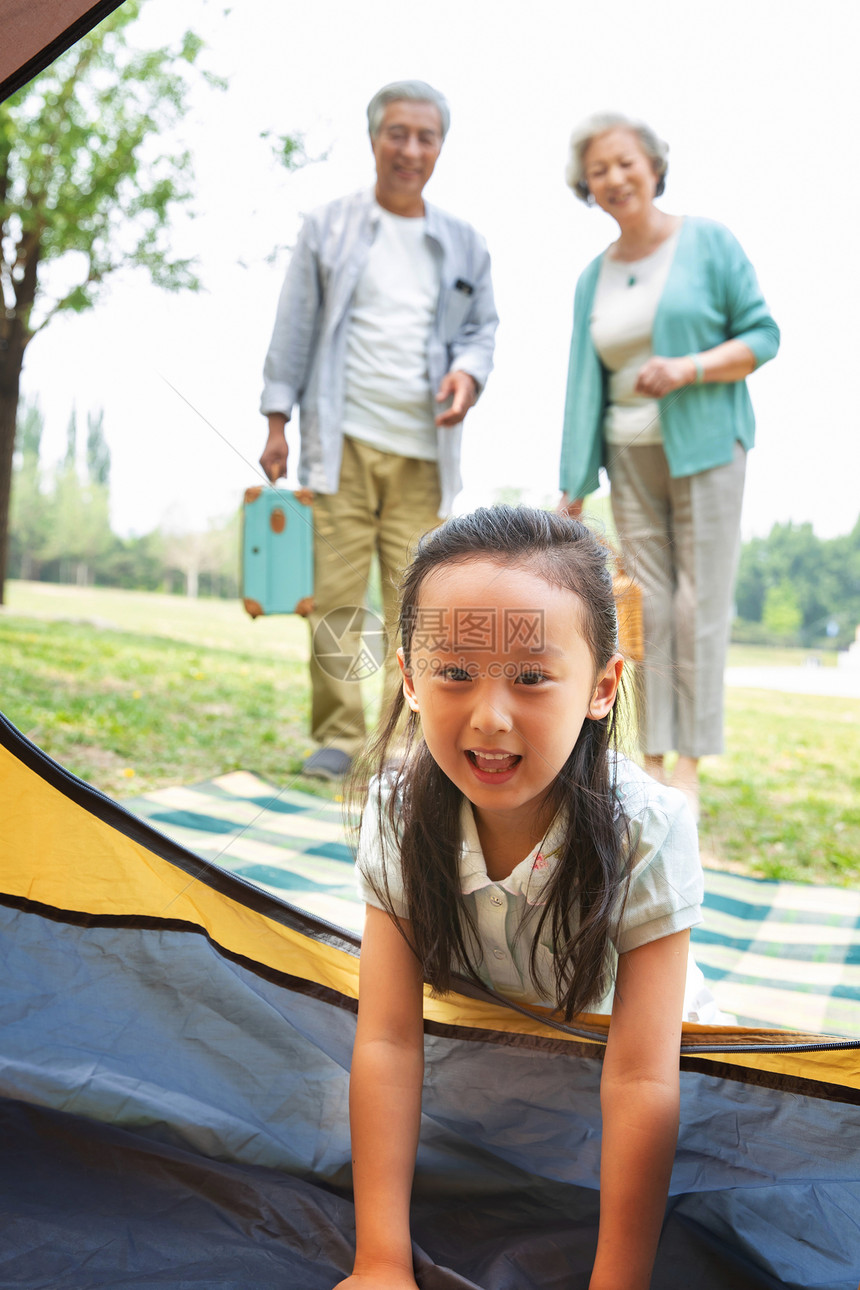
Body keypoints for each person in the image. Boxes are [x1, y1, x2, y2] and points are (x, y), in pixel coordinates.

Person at [336, 505, 716, 1290]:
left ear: (602, 687)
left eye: (534, 677)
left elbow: (643, 1078)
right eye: (455, 672)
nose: (491, 717)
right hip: (490, 1076)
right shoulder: (398, 812)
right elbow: (387, 1042)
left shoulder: (649, 828)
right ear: (409, 678)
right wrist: (379, 1261)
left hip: (624, 1071)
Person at [259, 80, 498, 782]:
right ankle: (338, 734)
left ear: (440, 148)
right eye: (398, 132)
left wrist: (470, 375)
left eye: (426, 137)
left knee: (417, 605)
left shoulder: (463, 243)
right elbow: (293, 328)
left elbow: (482, 332)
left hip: (426, 450)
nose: (411, 148)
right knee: (334, 596)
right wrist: (277, 421)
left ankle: (407, 742)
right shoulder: (326, 226)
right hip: (341, 443)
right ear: (374, 139)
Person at [558, 112, 779, 816]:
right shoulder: (594, 276)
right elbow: (582, 379)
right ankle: (649, 759)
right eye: (599, 171)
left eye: (625, 162)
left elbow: (762, 335)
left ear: (654, 165)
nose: (614, 178)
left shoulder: (707, 243)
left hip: (709, 441)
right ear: (586, 187)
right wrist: (573, 478)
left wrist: (688, 368)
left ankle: (689, 763)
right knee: (643, 608)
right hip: (629, 452)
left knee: (697, 603)